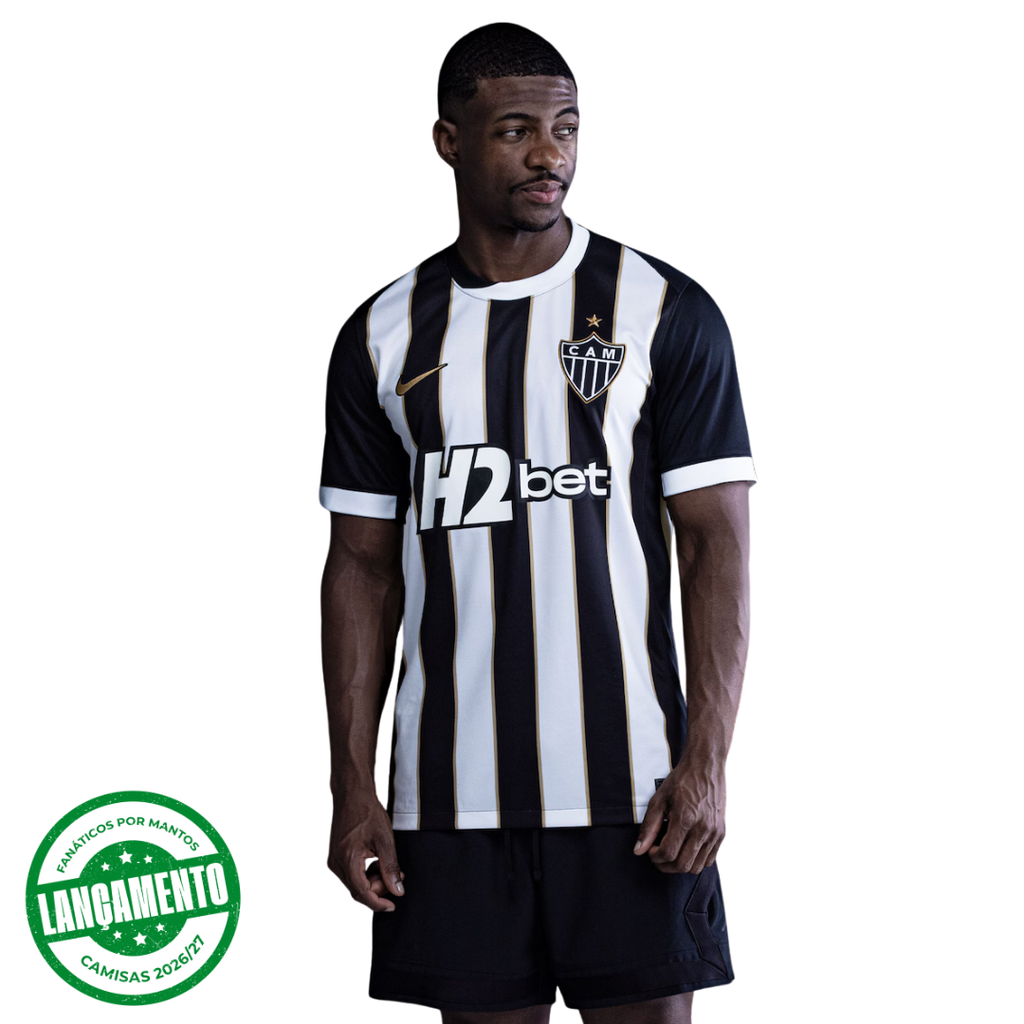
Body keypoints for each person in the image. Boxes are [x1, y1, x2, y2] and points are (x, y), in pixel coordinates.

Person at [319, 22, 756, 1024]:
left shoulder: (661, 308)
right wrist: (351, 785)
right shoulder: (382, 332)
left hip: (635, 796)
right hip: (447, 802)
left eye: (565, 128)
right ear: (449, 141)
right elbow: (359, 568)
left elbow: (716, 543)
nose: (548, 154)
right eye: (516, 130)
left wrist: (706, 764)